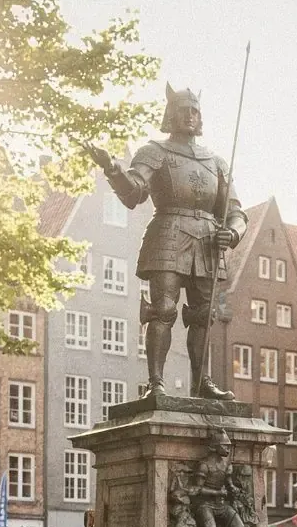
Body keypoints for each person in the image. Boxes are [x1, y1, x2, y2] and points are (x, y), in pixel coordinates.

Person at [89, 85, 247, 401]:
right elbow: (134, 192)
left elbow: (235, 211)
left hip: (208, 241)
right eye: (183, 110)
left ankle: (201, 382)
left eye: (195, 111)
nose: (190, 116)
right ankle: (156, 382)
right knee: (162, 309)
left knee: (204, 315)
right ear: (170, 114)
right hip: (168, 234)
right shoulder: (155, 152)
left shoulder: (216, 162)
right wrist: (113, 169)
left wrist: (233, 233)